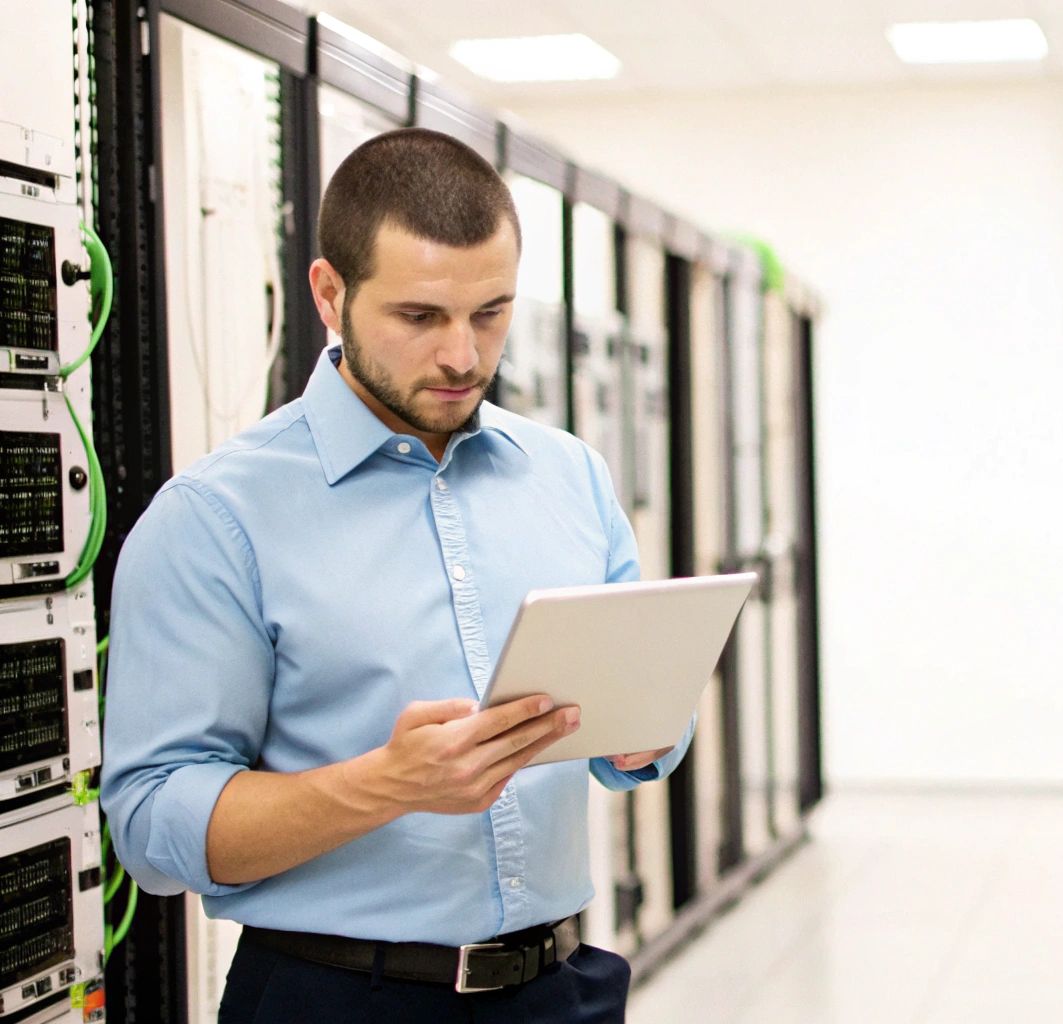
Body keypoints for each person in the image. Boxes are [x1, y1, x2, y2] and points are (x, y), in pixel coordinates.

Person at [99, 128, 690, 1023]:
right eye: (420, 318)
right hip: (335, 996)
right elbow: (149, 823)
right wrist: (388, 783)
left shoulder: (570, 476)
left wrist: (644, 731)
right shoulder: (216, 518)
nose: (463, 356)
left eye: (491, 312)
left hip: (560, 988)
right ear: (330, 294)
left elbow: (642, 725)